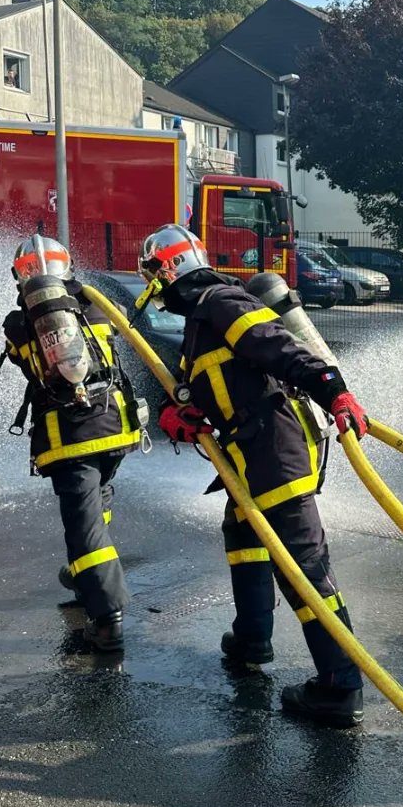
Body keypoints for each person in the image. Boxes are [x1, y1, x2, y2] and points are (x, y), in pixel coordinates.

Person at [137, 224, 369, 728]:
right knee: (242, 532)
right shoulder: (202, 321)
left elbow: (280, 350)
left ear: (167, 272)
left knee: (303, 567)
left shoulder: (221, 303)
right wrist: (179, 414)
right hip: (251, 455)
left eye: (153, 276)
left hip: (274, 454)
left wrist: (336, 392)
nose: (152, 289)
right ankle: (251, 640)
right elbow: (214, 385)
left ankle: (340, 684)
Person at [0, 234, 143, 652]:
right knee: (99, 499)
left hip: (71, 437)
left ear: (19, 275)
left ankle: (107, 618)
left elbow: (30, 368)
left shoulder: (19, 321)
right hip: (117, 427)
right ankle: (85, 579)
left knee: (85, 528)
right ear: (69, 266)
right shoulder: (94, 302)